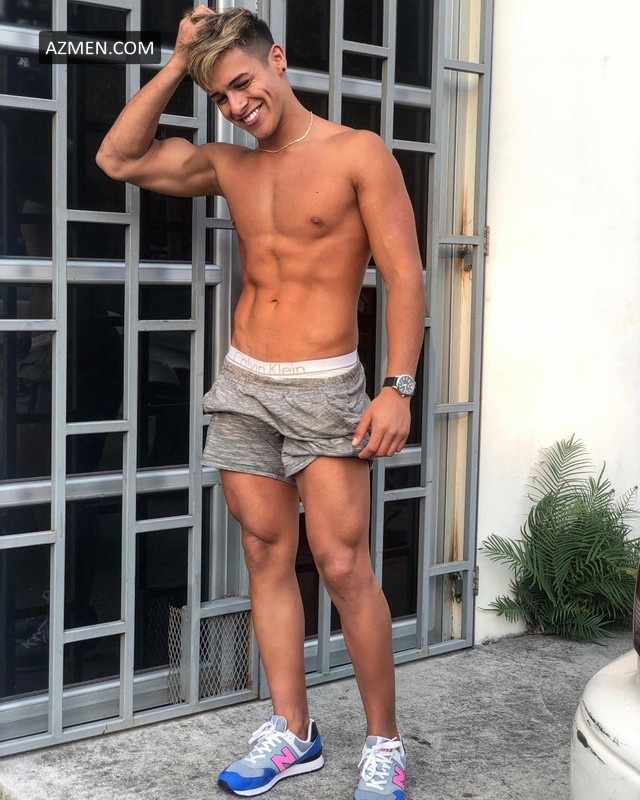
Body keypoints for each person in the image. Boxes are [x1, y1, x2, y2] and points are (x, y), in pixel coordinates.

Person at [96, 7, 425, 799]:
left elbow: (405, 275)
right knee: (264, 553)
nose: (238, 106)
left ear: (277, 59)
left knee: (343, 566)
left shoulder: (358, 153)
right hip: (244, 384)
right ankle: (294, 732)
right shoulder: (229, 165)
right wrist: (178, 61)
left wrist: (398, 386)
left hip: (326, 387)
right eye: (221, 97)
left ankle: (384, 742)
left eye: (243, 83)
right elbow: (117, 157)